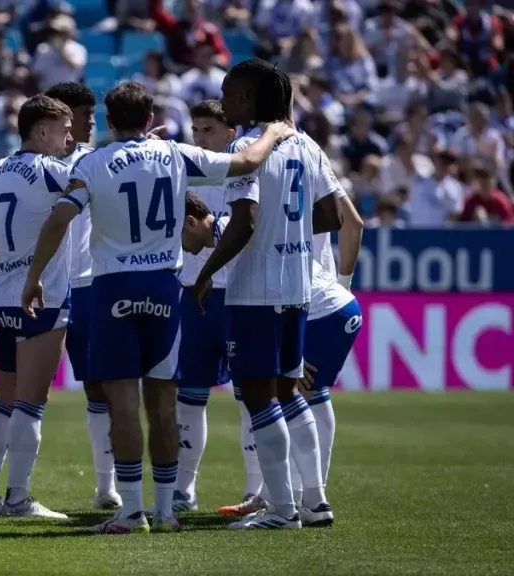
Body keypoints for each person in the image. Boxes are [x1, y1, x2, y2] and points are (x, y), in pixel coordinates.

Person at [22, 81, 292, 534]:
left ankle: (131, 511)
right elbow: (246, 160)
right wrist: (275, 132)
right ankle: (166, 510)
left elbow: (60, 218)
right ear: (149, 120)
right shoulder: (175, 154)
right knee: (163, 400)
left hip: (112, 289)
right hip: (166, 287)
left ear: (110, 122)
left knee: (123, 401)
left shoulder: (92, 162)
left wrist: (34, 277)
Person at [193, 58, 343, 530]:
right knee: (289, 393)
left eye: (229, 92)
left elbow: (245, 221)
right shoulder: (306, 145)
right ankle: (315, 501)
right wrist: (290, 231)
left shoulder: (245, 147)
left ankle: (281, 510)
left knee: (260, 399)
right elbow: (332, 216)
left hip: (255, 290)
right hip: (298, 287)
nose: (224, 100)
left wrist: (207, 273)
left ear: (246, 99)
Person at [218, 158, 363, 522]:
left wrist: (339, 285)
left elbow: (351, 222)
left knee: (295, 393)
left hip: (299, 292)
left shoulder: (267, 156)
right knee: (299, 393)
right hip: (305, 289)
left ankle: (303, 500)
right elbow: (347, 220)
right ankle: (292, 497)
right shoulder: (306, 152)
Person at [0, 95, 73, 519]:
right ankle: (18, 498)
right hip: (41, 298)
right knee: (32, 402)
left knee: (4, 399)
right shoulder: (56, 174)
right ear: (42, 130)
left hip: (3, 298)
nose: (68, 139)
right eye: (63, 130)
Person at [43, 82, 120, 510]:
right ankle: (6, 489)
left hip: (90, 287)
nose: (93, 121)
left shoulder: (99, 161)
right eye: (85, 114)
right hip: (48, 287)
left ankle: (106, 486)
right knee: (23, 390)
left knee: (98, 386)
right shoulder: (32, 167)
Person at [168, 100, 236, 513]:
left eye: (208, 130)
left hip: (239, 295)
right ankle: (184, 489)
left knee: (252, 396)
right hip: (193, 295)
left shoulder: (244, 172)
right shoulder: (181, 170)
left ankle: (255, 490)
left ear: (230, 135)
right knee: (189, 397)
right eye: (195, 130)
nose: (200, 138)